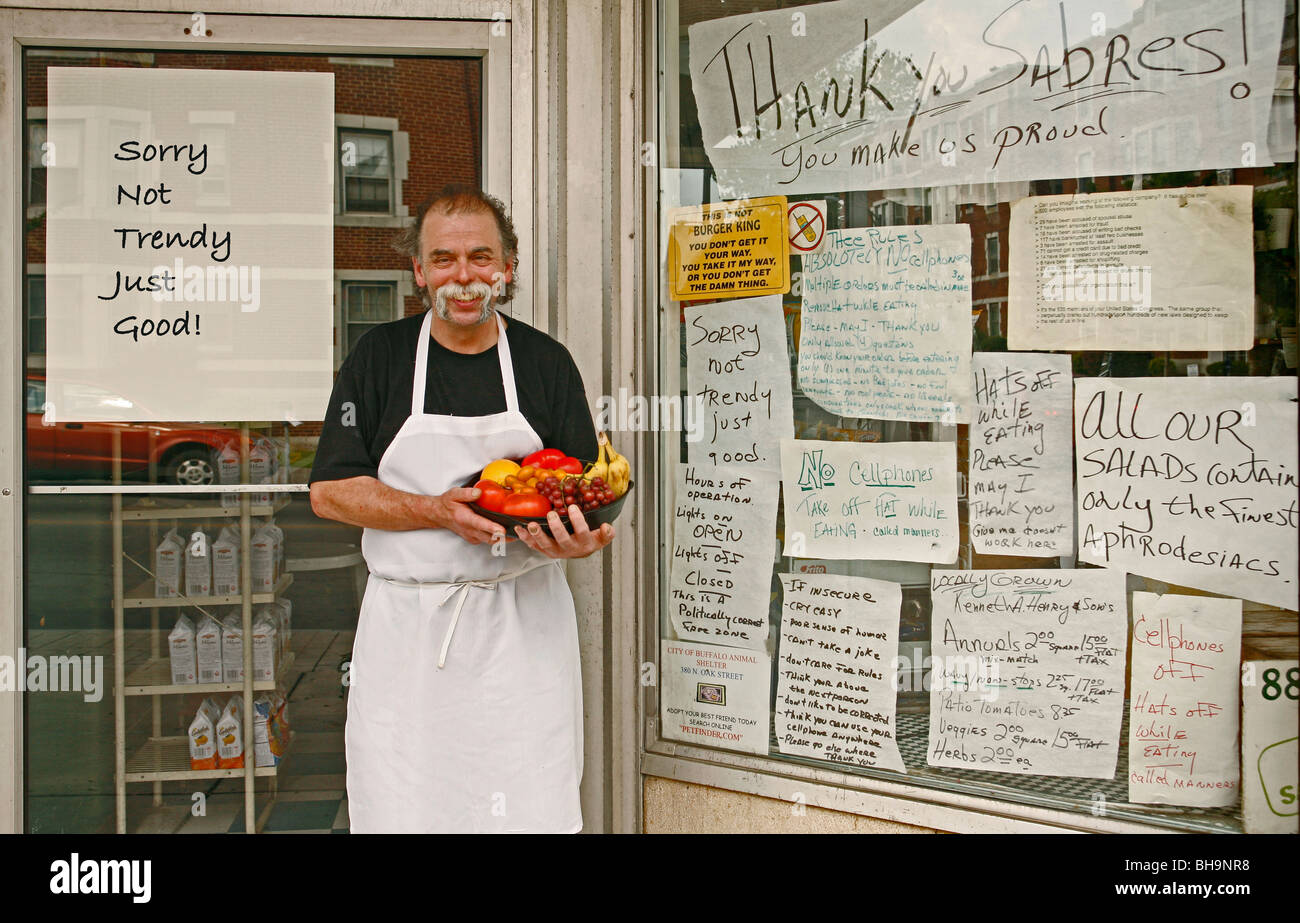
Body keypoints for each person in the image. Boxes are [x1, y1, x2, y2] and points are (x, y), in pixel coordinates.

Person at [308, 185, 614, 833]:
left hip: (523, 632)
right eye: (443, 259)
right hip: (407, 638)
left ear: (508, 268)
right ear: (418, 271)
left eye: (482, 256)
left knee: (529, 804)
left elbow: (586, 494)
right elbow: (330, 490)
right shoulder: (380, 358)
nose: (464, 276)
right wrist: (435, 510)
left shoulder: (545, 363)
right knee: (402, 805)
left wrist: (579, 540)